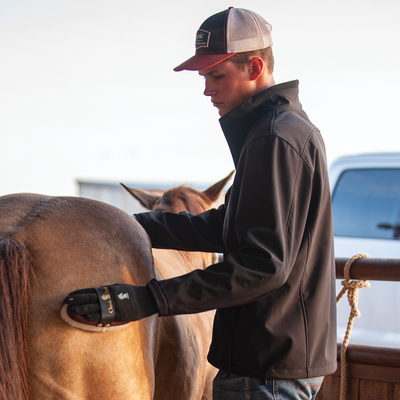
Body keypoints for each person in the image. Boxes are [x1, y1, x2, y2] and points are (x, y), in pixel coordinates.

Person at [66, 7, 337, 399]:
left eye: (216, 75)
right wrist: (133, 224)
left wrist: (145, 299)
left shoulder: (273, 139)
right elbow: (232, 227)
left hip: (266, 369)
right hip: (276, 358)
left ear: (255, 67)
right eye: (204, 77)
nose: (207, 90)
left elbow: (263, 265)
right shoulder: (286, 130)